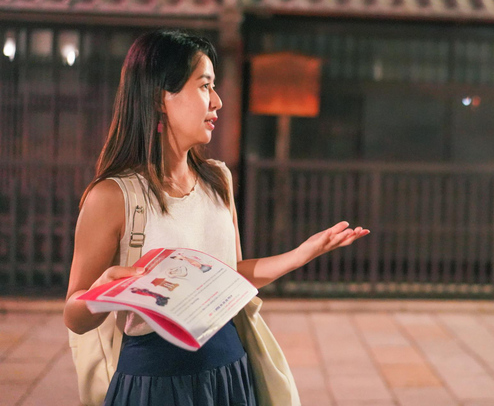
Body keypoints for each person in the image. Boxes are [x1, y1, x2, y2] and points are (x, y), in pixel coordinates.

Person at [63, 30, 369, 405]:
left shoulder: (218, 180)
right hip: (156, 382)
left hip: (229, 369)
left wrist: (303, 253)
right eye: (205, 86)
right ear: (162, 96)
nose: (218, 101)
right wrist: (104, 292)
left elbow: (230, 274)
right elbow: (74, 315)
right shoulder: (113, 197)